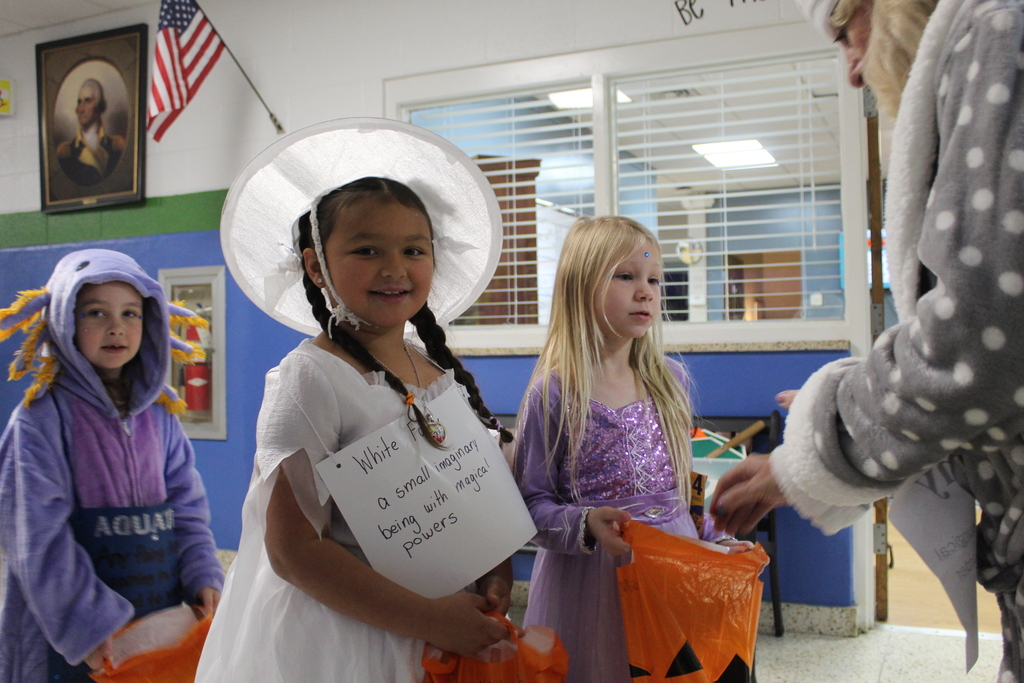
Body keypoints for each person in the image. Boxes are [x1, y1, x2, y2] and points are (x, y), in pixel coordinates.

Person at [712, 0, 1024, 677]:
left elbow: (975, 340)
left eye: (845, 34)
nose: (852, 72)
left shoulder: (999, 29)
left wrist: (813, 447)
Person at [197, 120, 525, 682]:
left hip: (439, 629)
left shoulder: (435, 370)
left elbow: (472, 489)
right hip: (345, 642)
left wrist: (495, 571)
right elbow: (294, 551)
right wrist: (429, 618)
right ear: (315, 266)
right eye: (367, 249)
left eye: (413, 249)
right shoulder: (310, 380)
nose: (394, 268)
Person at [515, 215, 752, 683]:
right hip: (591, 585)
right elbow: (530, 505)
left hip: (671, 568)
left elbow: (682, 487)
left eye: (653, 279)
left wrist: (715, 536)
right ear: (579, 286)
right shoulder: (555, 391)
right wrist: (584, 523)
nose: (646, 291)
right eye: (625, 276)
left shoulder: (670, 381)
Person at [0, 249, 225, 683]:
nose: (116, 327)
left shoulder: (160, 417)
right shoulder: (39, 421)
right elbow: (38, 540)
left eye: (131, 313)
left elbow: (187, 508)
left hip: (156, 620)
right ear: (64, 321)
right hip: (74, 639)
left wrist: (202, 572)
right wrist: (86, 625)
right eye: (95, 313)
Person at [56, 78, 126, 186]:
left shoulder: (117, 145)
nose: (81, 109)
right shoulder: (65, 152)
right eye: (79, 102)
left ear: (99, 106)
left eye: (87, 101)